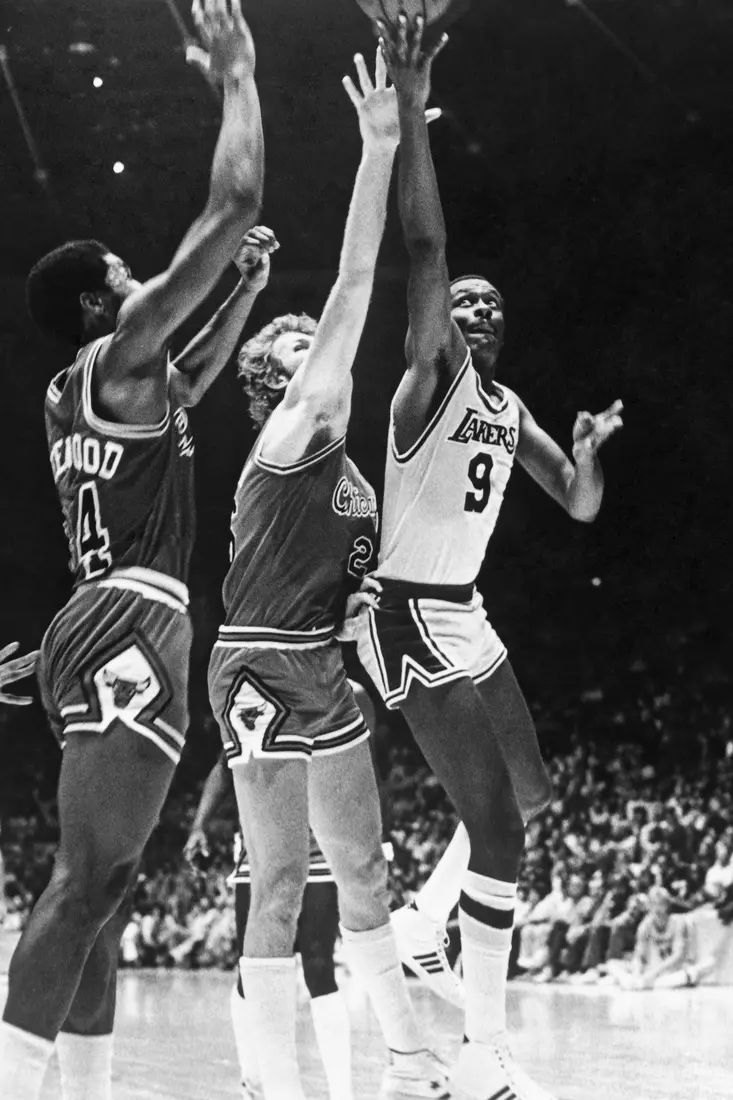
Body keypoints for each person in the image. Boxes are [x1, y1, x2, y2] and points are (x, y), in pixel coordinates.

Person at [0, 4, 267, 1098]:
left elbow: (195, 383)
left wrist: (246, 289)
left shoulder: (92, 390)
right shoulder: (117, 354)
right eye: (125, 270)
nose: (140, 275)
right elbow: (234, 199)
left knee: (105, 887)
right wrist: (239, 80)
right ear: (99, 300)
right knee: (88, 877)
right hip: (126, 617)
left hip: (93, 618)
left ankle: (88, 1088)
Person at [354, 14, 624, 1099]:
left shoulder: (508, 409)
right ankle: (483, 1053)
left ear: (502, 328)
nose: (472, 305)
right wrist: (414, 115)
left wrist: (593, 453)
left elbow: (581, 507)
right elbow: (424, 249)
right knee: (498, 824)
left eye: (486, 305)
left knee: (535, 791)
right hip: (405, 609)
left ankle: (425, 921)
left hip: (463, 606)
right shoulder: (429, 378)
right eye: (461, 302)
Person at [207, 48, 447, 1100]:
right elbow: (354, 281)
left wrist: (356, 609)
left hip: (319, 662)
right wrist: (380, 148)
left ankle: (406, 1060)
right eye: (313, 354)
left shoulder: (339, 465)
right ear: (281, 381)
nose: (333, 360)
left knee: (365, 868)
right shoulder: (295, 428)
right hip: (259, 664)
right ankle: (274, 1083)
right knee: (273, 886)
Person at [185, 752, 355, 1100]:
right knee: (251, 971)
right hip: (259, 844)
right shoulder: (241, 698)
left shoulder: (339, 696)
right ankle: (254, 1083)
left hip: (318, 839)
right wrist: (198, 825)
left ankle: (344, 1094)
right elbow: (221, 764)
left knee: (320, 966)